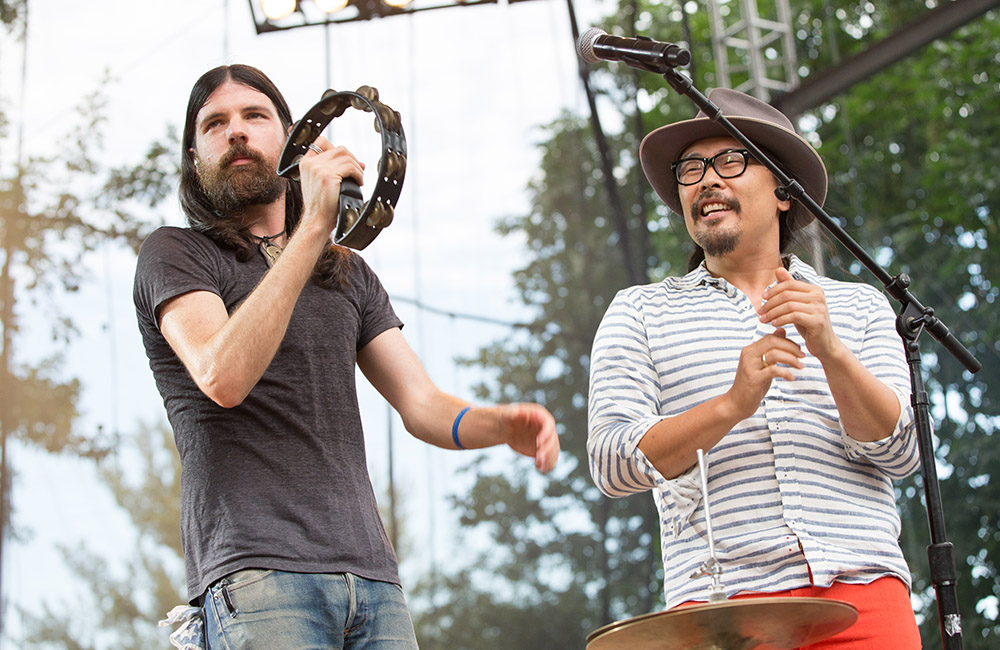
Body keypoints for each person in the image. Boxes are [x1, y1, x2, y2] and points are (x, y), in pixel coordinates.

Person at [134, 64, 560, 649]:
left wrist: (499, 423)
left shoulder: (348, 274)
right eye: (215, 123)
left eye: (255, 116)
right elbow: (221, 374)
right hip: (256, 574)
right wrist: (313, 226)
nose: (236, 131)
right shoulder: (175, 252)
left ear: (294, 141)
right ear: (194, 156)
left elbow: (423, 404)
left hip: (375, 583)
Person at [587, 88, 921, 648]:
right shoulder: (639, 311)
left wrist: (832, 352)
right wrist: (731, 405)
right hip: (722, 611)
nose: (706, 180)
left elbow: (901, 452)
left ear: (785, 193)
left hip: (864, 596)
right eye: (690, 168)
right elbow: (612, 463)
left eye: (730, 160)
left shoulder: (859, 305)